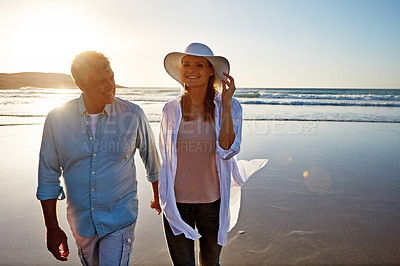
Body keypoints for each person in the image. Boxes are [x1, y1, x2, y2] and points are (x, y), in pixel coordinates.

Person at [36, 51, 161, 265]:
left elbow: (152, 160)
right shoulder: (57, 119)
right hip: (81, 222)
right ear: (80, 84)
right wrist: (52, 227)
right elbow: (47, 177)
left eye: (111, 78)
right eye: (101, 82)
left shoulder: (132, 114)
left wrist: (158, 196)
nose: (110, 85)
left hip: (120, 218)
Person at [156, 43, 267, 265]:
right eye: (187, 64)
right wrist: (159, 193)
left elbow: (228, 150)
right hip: (177, 202)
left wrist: (225, 105)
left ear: (210, 71)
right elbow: (165, 158)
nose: (191, 69)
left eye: (199, 64)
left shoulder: (230, 107)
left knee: (210, 263)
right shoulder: (171, 109)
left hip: (212, 203)